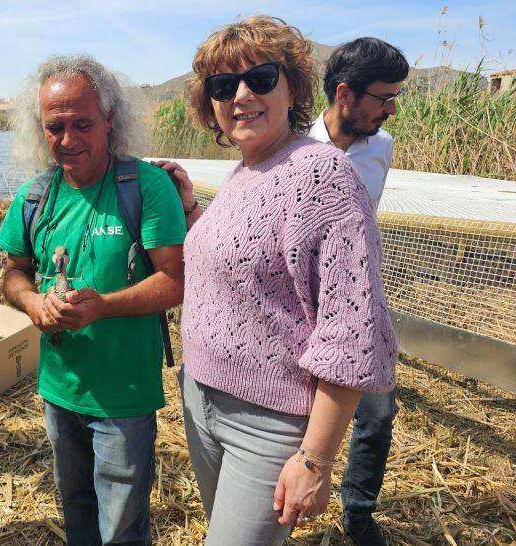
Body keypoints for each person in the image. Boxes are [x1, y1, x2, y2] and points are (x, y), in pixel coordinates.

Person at [155, 17, 397, 545]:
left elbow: (351, 335)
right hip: (202, 398)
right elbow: (246, 265)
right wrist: (192, 207)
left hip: (267, 421)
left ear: (292, 86)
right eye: (223, 86)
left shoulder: (323, 176)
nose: (240, 95)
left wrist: (315, 459)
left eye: (259, 78)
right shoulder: (247, 170)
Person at [0, 54, 186, 545]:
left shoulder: (145, 186)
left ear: (109, 120)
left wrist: (103, 305)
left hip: (123, 392)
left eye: (82, 123)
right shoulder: (36, 195)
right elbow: (13, 273)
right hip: (59, 389)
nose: (67, 139)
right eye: (53, 127)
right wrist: (34, 304)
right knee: (76, 506)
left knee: (122, 523)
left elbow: (175, 279)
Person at [308, 38, 408, 545]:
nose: (392, 110)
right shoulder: (293, 147)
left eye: (397, 98)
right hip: (301, 303)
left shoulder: (381, 148)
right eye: (384, 97)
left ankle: (359, 511)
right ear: (345, 94)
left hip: (358, 298)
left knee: (377, 412)